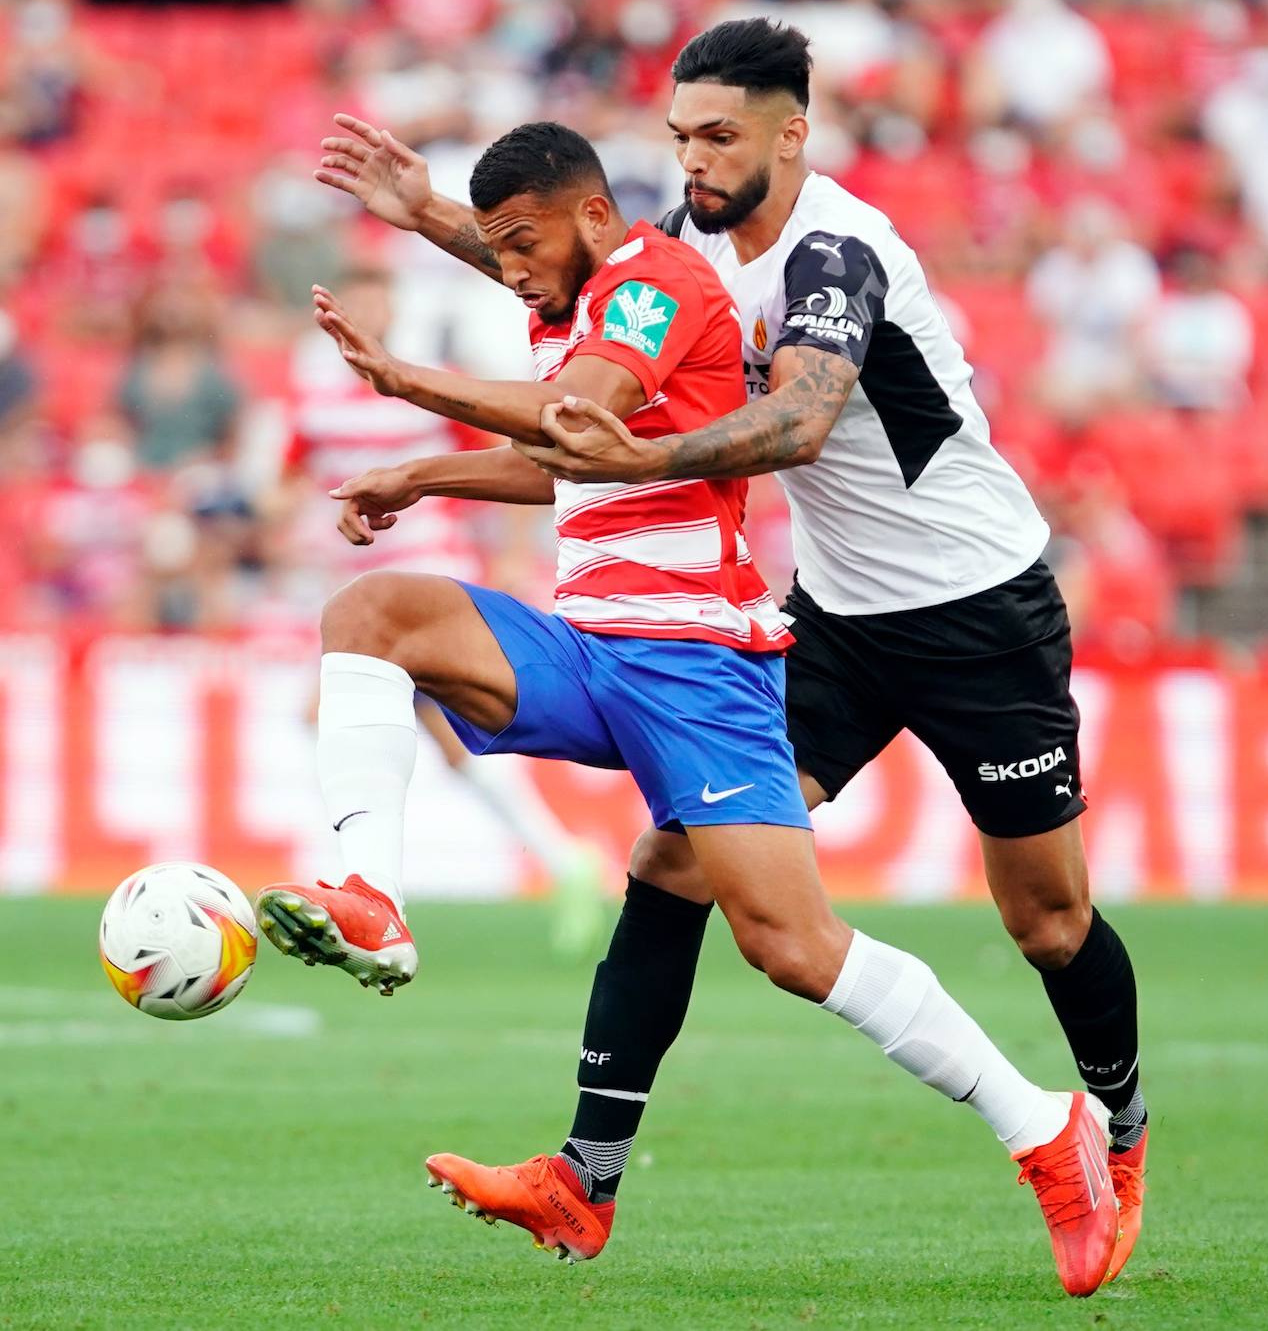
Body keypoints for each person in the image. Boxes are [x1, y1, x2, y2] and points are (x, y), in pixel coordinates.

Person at [285, 120, 1120, 1296]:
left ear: (586, 215)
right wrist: (418, 474)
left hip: (698, 666)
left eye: (520, 242)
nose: (509, 265)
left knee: (791, 946)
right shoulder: (573, 304)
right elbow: (569, 457)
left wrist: (404, 382)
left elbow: (574, 417)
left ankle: (1045, 1126)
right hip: (591, 643)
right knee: (373, 616)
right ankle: (370, 895)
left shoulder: (658, 285)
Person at [267, 262, 608, 956]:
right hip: (364, 601)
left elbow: (506, 459)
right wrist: (279, 525)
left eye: (379, 295)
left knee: (328, 715)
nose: (371, 308)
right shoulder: (314, 403)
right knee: (449, 746)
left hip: (430, 581)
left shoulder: (426, 388)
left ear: (394, 307)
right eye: (359, 295)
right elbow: (287, 484)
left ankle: (365, 881)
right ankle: (564, 862)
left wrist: (512, 550)